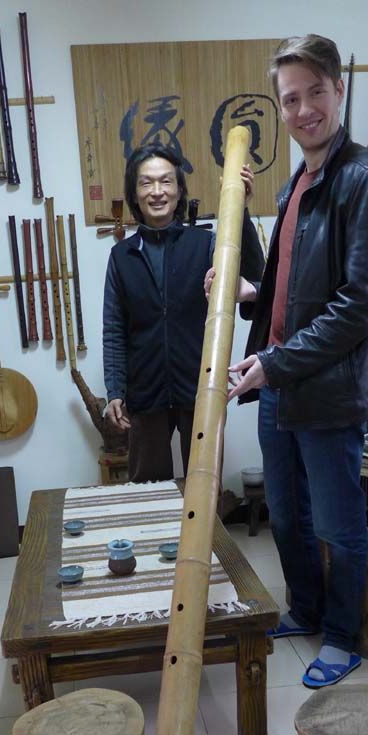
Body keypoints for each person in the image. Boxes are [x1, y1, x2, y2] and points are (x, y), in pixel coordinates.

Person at [221, 34, 368, 689]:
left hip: (328, 389)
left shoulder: (367, 176)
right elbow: (296, 280)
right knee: (287, 512)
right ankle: (304, 609)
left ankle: (343, 635)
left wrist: (276, 363)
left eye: (315, 93)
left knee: (336, 520)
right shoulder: (297, 182)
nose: (303, 110)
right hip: (282, 381)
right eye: (290, 99)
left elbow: (361, 303)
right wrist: (253, 294)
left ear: (339, 90)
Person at [103, 143, 264, 482]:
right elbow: (114, 328)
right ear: (134, 193)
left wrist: (242, 208)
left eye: (166, 181)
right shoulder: (121, 256)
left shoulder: (204, 244)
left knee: (204, 489)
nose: (157, 191)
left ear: (179, 191)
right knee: (148, 492)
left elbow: (256, 281)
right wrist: (115, 390)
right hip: (145, 391)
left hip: (201, 386)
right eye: (146, 183)